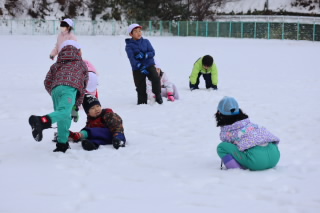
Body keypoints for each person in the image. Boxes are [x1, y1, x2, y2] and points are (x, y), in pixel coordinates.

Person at [29, 40, 88, 153]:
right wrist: (76, 105)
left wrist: (53, 91)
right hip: (70, 88)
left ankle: (62, 144)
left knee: (63, 117)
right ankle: (41, 121)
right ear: (78, 52)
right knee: (65, 112)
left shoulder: (56, 64)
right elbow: (83, 86)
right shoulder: (81, 64)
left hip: (56, 89)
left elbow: (47, 81)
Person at [215, 96, 280, 171]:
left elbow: (230, 148)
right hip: (275, 157)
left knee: (222, 147)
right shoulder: (249, 124)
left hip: (257, 162)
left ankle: (236, 168)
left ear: (219, 113)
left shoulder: (227, 132)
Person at [125, 23, 163, 105]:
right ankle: (142, 102)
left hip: (149, 65)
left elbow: (152, 52)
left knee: (156, 78)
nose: (138, 33)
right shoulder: (129, 46)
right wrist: (139, 65)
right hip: (138, 68)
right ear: (131, 34)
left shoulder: (146, 41)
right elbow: (131, 58)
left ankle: (158, 95)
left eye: (139, 31)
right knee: (140, 86)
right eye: (135, 31)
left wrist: (146, 55)